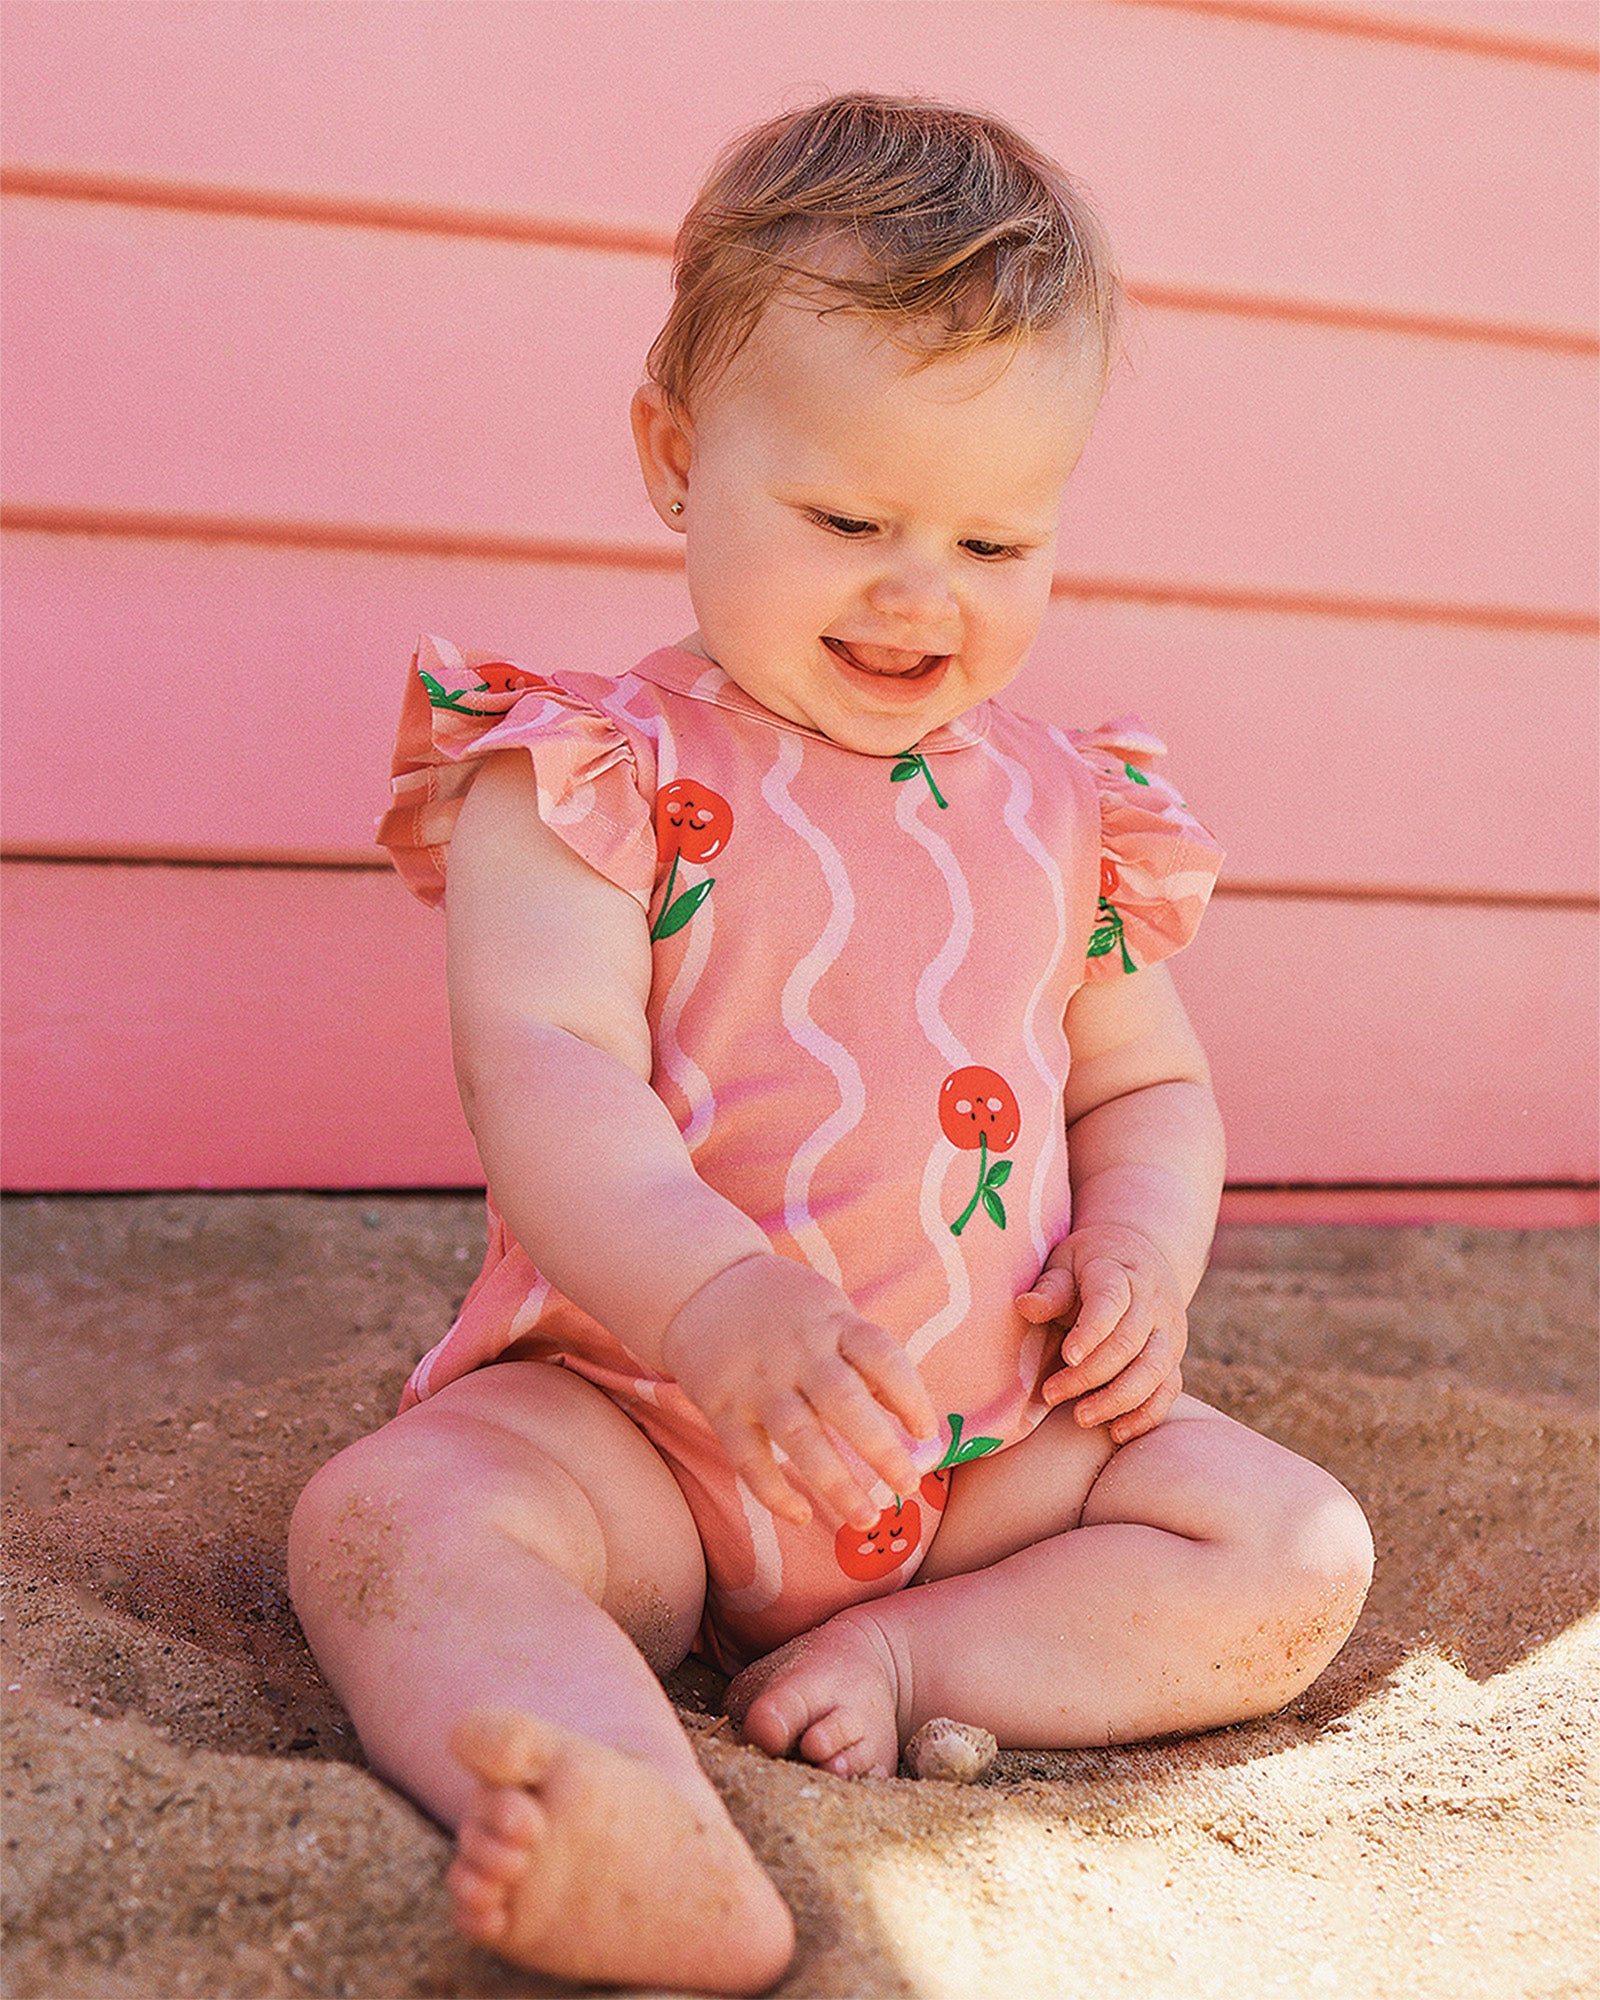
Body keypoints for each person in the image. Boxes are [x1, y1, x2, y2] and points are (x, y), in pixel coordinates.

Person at [288, 92, 1374, 1996]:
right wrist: (715, 1301)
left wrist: (1144, 1249)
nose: (919, 588)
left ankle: (909, 1658)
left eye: (996, 537)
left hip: (990, 1456)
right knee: (390, 1519)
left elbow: (1148, 1083)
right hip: (653, 1423)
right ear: (677, 457)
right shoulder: (591, 775)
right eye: (848, 520)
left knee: (1295, 1548)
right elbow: (544, 1073)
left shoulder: (1072, 811)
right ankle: (612, 1803)